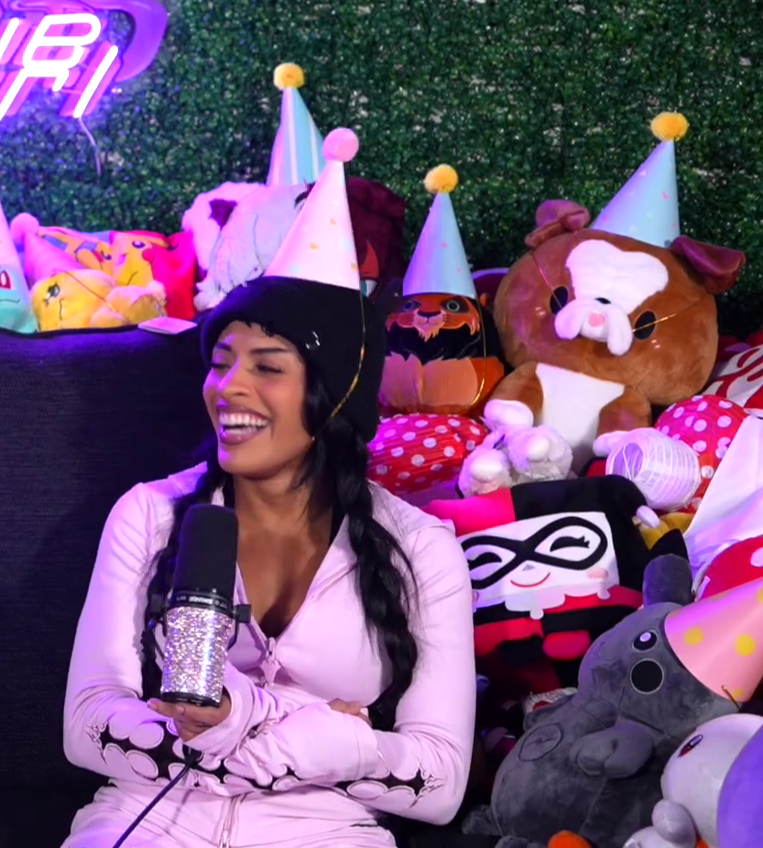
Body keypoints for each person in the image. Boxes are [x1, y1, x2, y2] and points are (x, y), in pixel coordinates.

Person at [59, 130, 475, 848]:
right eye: (221, 360)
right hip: (149, 820)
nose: (229, 387)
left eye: (268, 366)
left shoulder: (421, 549)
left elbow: (439, 786)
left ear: (335, 396)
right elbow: (88, 725)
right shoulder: (149, 515)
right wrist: (317, 735)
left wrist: (241, 723)